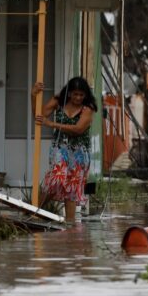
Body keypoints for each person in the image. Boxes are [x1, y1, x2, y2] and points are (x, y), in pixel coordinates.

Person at [31, 77, 98, 224]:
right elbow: (39, 116)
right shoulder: (58, 101)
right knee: (56, 179)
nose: (78, 98)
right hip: (60, 147)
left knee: (72, 189)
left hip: (79, 152)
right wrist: (33, 95)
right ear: (69, 93)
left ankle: (70, 224)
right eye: (75, 94)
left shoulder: (88, 109)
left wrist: (52, 124)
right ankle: (33, 210)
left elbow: (78, 129)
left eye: (81, 95)